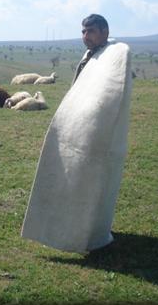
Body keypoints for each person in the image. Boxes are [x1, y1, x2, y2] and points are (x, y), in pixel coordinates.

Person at [20, 14, 133, 253]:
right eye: (83, 32)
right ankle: (66, 229)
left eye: (90, 31)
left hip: (98, 134)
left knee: (94, 183)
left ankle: (92, 235)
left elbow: (110, 94)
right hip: (77, 130)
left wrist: (93, 122)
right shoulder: (89, 56)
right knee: (72, 181)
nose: (85, 36)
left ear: (104, 31)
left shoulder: (117, 55)